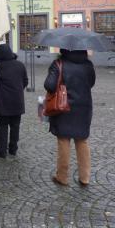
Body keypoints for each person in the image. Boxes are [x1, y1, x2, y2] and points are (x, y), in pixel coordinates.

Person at [44, 49, 96, 186]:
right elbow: (91, 83)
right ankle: (85, 178)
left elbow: (49, 85)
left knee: (63, 140)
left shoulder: (58, 63)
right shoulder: (88, 65)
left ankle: (62, 177)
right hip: (84, 106)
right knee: (82, 141)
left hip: (63, 107)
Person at [0, 44, 28, 159]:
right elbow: (25, 81)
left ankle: (2, 150)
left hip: (3, 101)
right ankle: (13, 149)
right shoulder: (20, 65)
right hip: (18, 100)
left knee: (3, 125)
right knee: (15, 125)